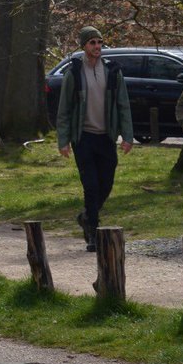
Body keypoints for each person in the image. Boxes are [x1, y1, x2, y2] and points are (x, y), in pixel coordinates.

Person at [56, 25, 133, 252]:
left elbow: (123, 105)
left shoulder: (112, 71)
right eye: (92, 43)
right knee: (90, 185)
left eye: (99, 42)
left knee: (106, 184)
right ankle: (93, 232)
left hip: (106, 137)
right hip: (83, 137)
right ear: (84, 46)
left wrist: (127, 136)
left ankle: (86, 216)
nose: (97, 46)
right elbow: (64, 110)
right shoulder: (74, 73)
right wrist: (63, 140)